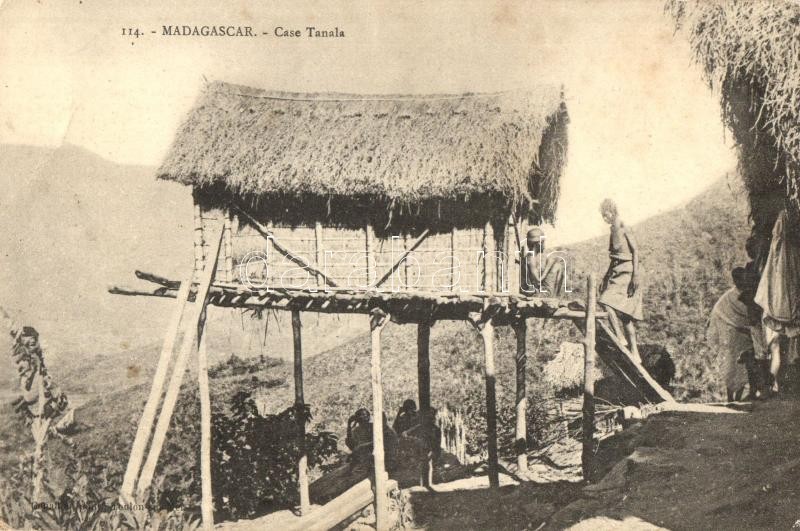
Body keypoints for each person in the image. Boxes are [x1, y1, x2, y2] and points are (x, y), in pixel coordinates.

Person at [753, 208, 800, 394]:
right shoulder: (786, 254)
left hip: (777, 305)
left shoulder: (779, 256)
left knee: (776, 349)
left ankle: (773, 385)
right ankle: (774, 384)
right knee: (778, 348)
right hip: (783, 304)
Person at [598, 199, 643, 361]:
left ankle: (623, 340)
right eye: (603, 216)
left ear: (612, 211)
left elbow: (636, 251)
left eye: (606, 215)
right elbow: (614, 258)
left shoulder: (623, 226)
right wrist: (605, 277)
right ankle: (630, 347)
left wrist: (635, 275)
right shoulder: (613, 229)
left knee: (608, 302)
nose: (605, 218)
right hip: (617, 270)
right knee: (620, 313)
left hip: (629, 270)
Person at [520, 227, 568, 297]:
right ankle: (552, 296)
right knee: (557, 266)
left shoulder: (533, 256)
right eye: (543, 243)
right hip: (537, 292)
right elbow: (538, 280)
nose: (544, 246)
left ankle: (554, 296)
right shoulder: (531, 258)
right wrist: (549, 265)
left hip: (539, 289)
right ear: (539, 243)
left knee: (558, 266)